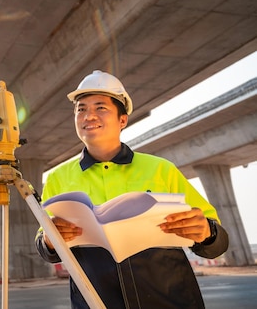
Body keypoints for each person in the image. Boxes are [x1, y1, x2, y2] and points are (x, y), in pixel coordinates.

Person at [35, 70, 229, 309]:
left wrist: (206, 232)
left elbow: (216, 242)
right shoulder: (58, 178)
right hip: (96, 302)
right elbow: (45, 246)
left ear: (123, 119)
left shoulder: (161, 169)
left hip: (169, 300)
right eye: (81, 109)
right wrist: (49, 241)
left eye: (100, 108)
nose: (88, 116)